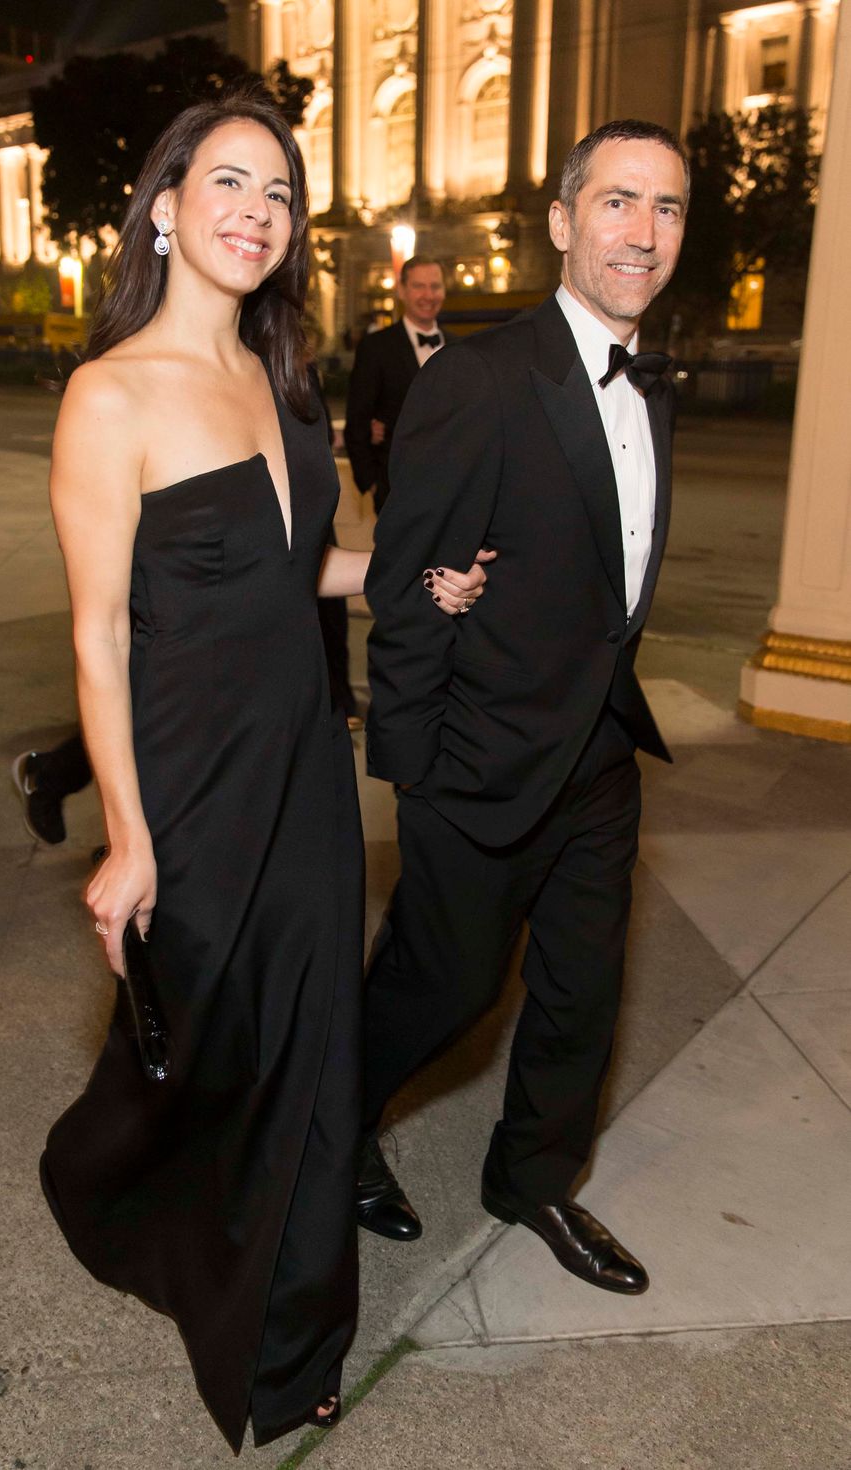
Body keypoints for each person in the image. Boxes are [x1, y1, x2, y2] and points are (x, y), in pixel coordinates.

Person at [37, 91, 488, 1453]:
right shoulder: (109, 393)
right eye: (228, 181)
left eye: (279, 191)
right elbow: (98, 634)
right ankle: (112, 1179)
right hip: (190, 778)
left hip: (304, 760)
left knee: (310, 1040)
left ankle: (289, 1340)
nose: (257, 210)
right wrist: (128, 837)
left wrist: (413, 574)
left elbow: (304, 568)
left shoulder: (281, 379)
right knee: (214, 1038)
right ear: (165, 207)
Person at [358, 120, 688, 1297]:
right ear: (560, 222)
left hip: (598, 749)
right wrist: (414, 774)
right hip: (478, 760)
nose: (641, 232)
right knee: (442, 987)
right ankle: (328, 1125)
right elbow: (408, 584)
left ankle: (532, 1178)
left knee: (582, 992)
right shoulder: (479, 380)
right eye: (615, 202)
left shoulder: (650, 382)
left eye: (665, 207)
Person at [344, 257, 448, 513]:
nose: (428, 295)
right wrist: (371, 483)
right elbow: (357, 420)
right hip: (396, 488)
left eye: (435, 286)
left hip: (453, 487)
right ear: (401, 291)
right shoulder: (376, 347)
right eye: (419, 286)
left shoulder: (461, 347)